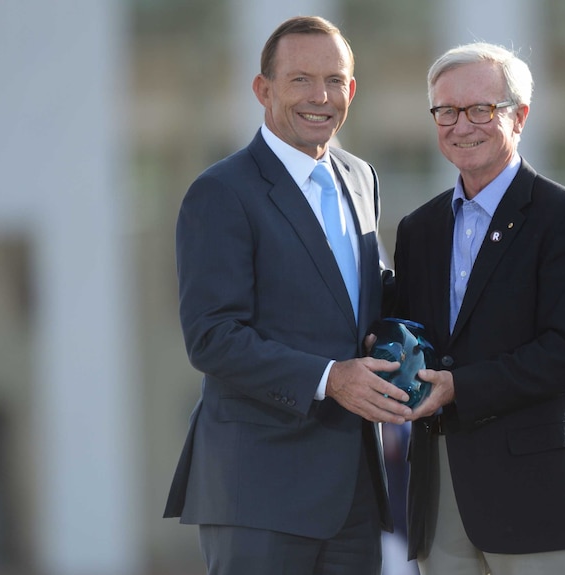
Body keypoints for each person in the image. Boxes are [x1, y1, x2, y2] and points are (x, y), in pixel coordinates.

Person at [163, 16, 413, 575]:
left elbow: (368, 301)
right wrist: (330, 377)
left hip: (354, 492)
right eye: (299, 79)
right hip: (259, 489)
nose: (319, 97)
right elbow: (212, 337)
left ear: (351, 91)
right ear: (263, 89)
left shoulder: (360, 176)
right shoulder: (221, 192)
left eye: (334, 80)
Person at [392, 42, 565, 574]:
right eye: (446, 110)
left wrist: (460, 388)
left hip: (540, 492)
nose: (461, 124)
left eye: (481, 109)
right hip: (441, 493)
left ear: (519, 116)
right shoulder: (419, 230)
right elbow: (414, 336)